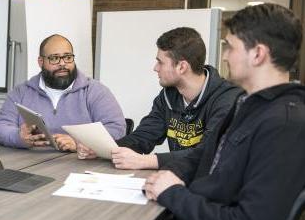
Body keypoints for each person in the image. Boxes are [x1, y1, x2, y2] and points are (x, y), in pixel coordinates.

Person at [41, 3, 305, 220]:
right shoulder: (247, 104)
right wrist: (144, 164)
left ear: (258, 54)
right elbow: (202, 155)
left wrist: (173, 193)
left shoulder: (285, 124)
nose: (225, 56)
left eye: (230, 47)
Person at [78, 27, 240, 171]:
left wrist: (146, 161)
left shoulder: (227, 100)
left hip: (210, 188)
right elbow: (144, 136)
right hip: (179, 177)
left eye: (160, 62)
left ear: (182, 67)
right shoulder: (167, 96)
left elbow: (207, 154)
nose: (155, 68)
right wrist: (106, 150)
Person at [0, 34, 126, 152]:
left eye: (68, 57)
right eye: (54, 58)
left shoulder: (95, 91)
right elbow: (1, 126)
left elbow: (116, 128)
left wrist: (78, 142)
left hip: (80, 166)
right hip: (30, 163)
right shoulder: (21, 92)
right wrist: (19, 137)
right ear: (41, 62)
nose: (62, 64)